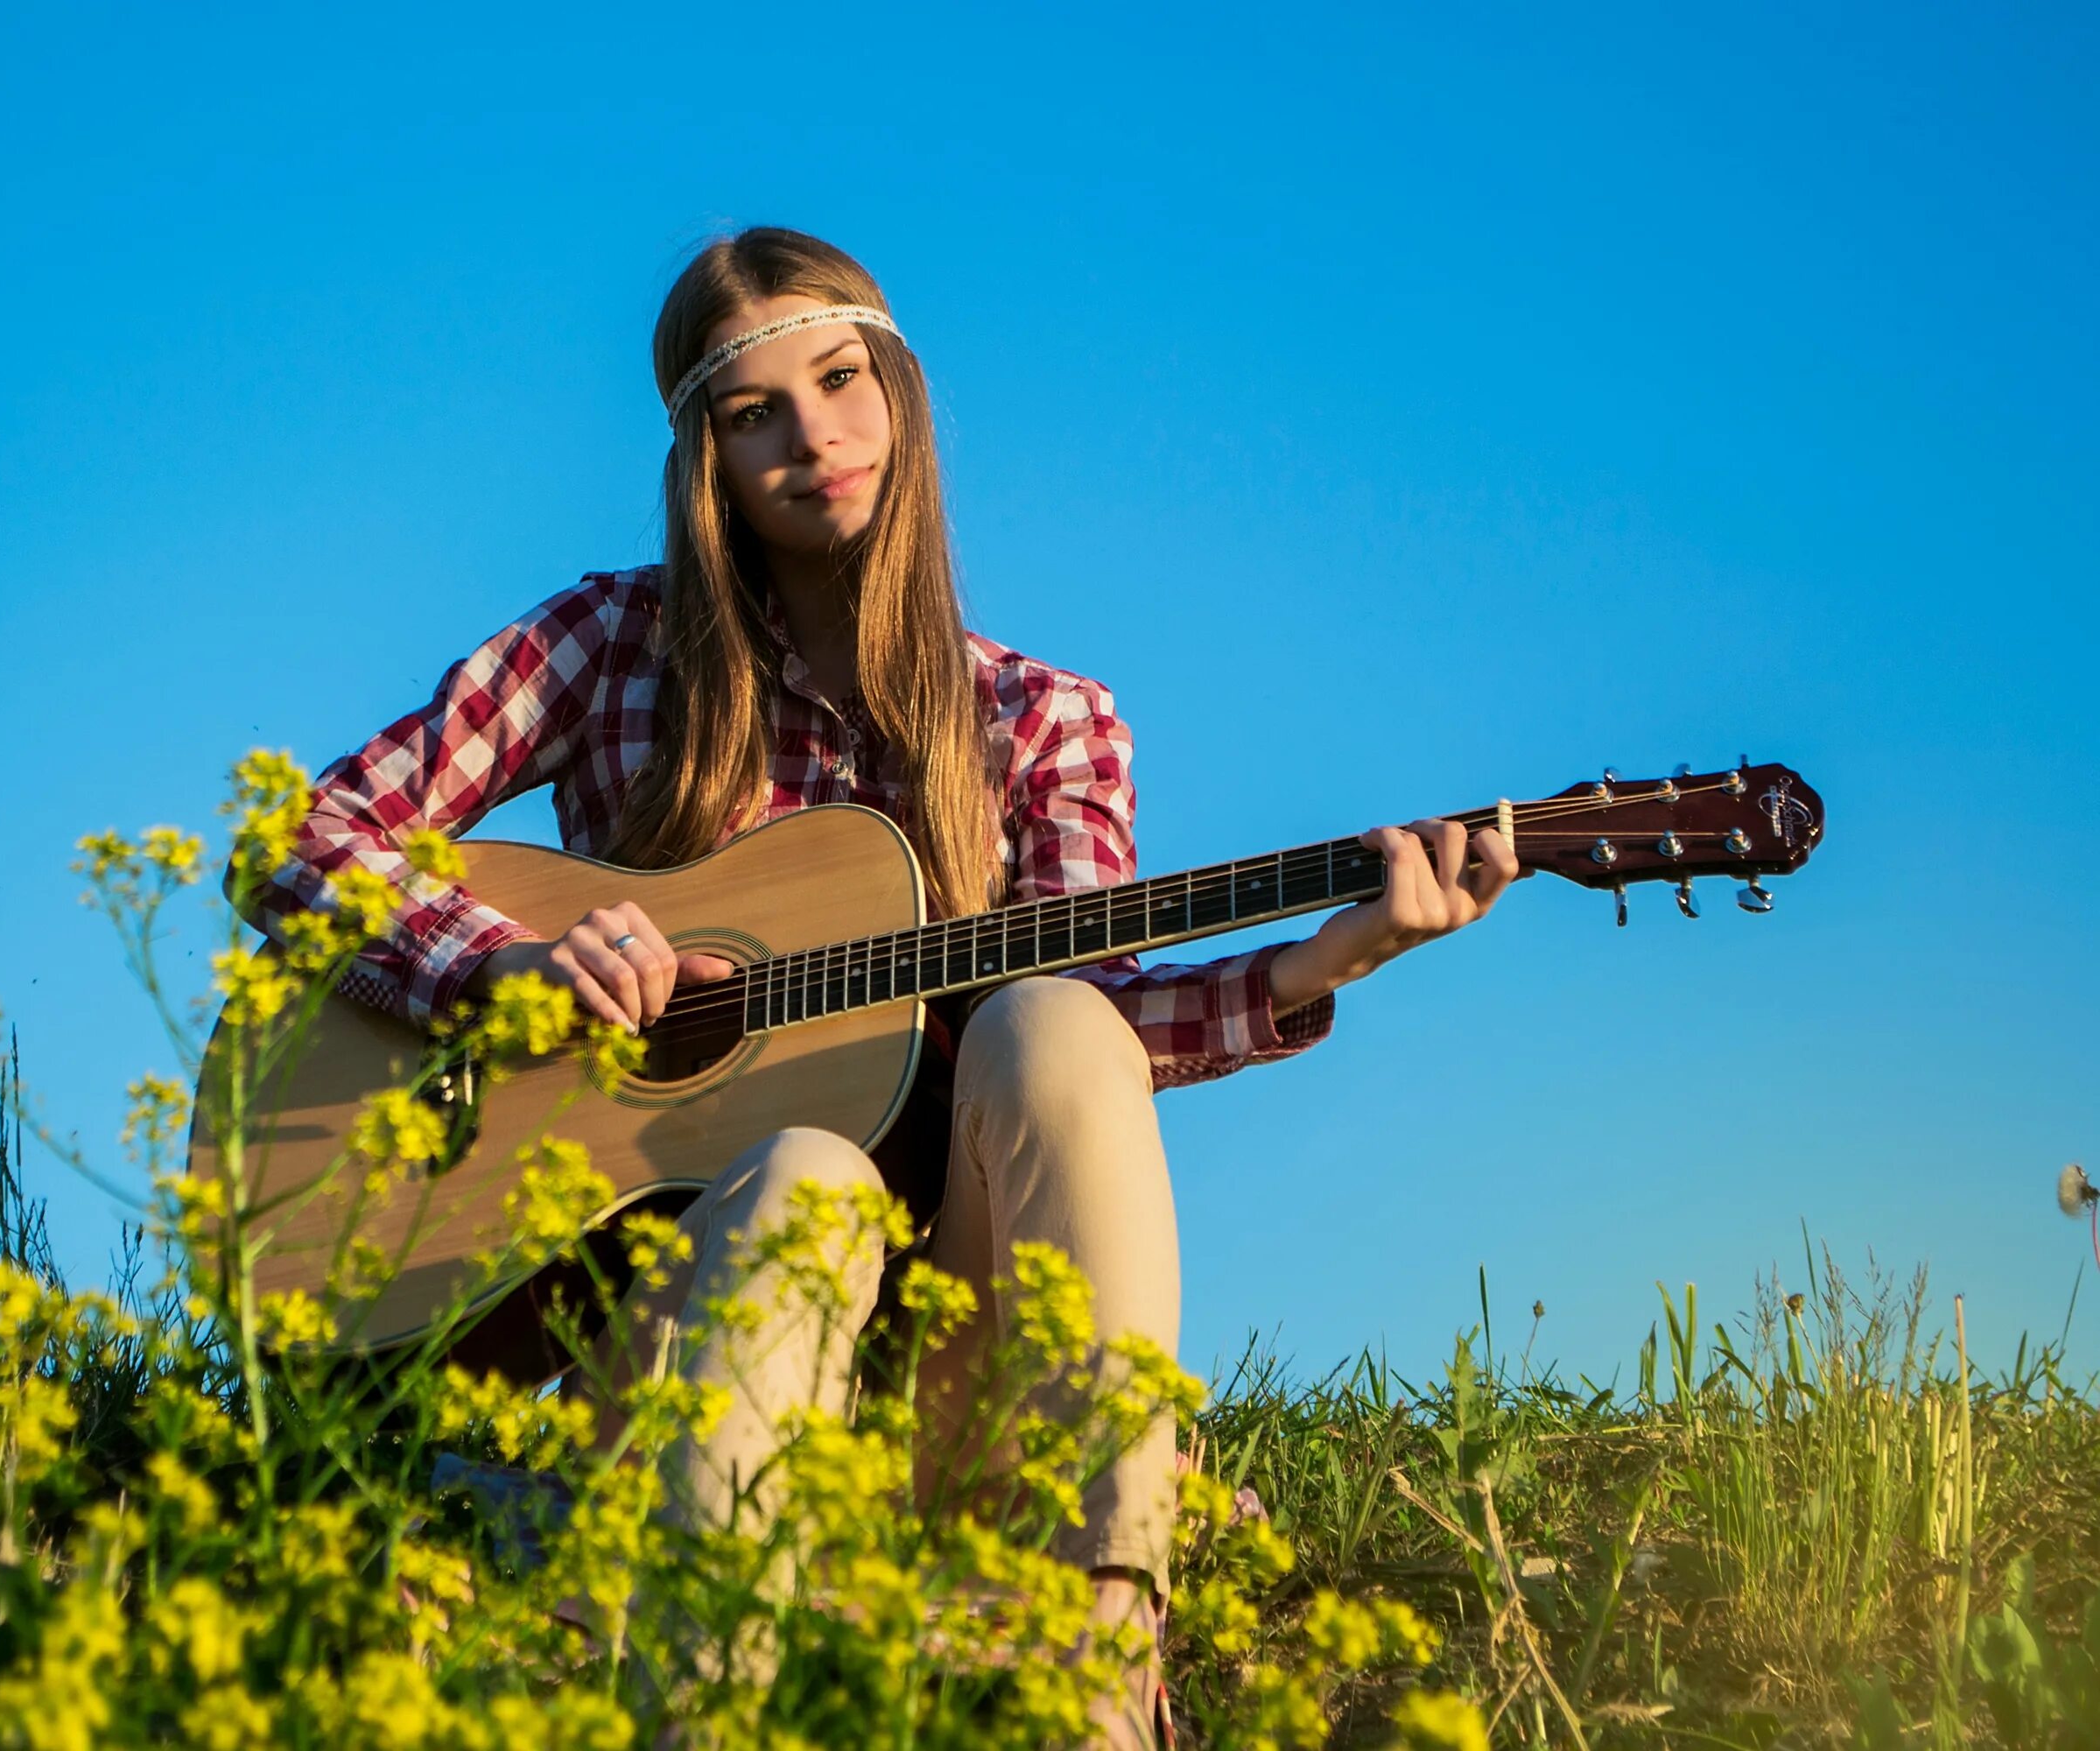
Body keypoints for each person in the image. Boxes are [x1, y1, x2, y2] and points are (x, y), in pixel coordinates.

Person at [242, 228, 1518, 1748]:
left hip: (958, 1388)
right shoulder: (604, 644)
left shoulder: (1044, 723)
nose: (812, 438)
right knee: (801, 1173)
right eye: (753, 413)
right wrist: (509, 969)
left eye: (838, 381)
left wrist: (1331, 956)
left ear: (897, 391)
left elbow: (1089, 1052)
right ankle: (701, 1693)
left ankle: (1103, 1656)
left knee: (1052, 1012)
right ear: (703, 459)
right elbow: (303, 839)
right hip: (691, 1347)